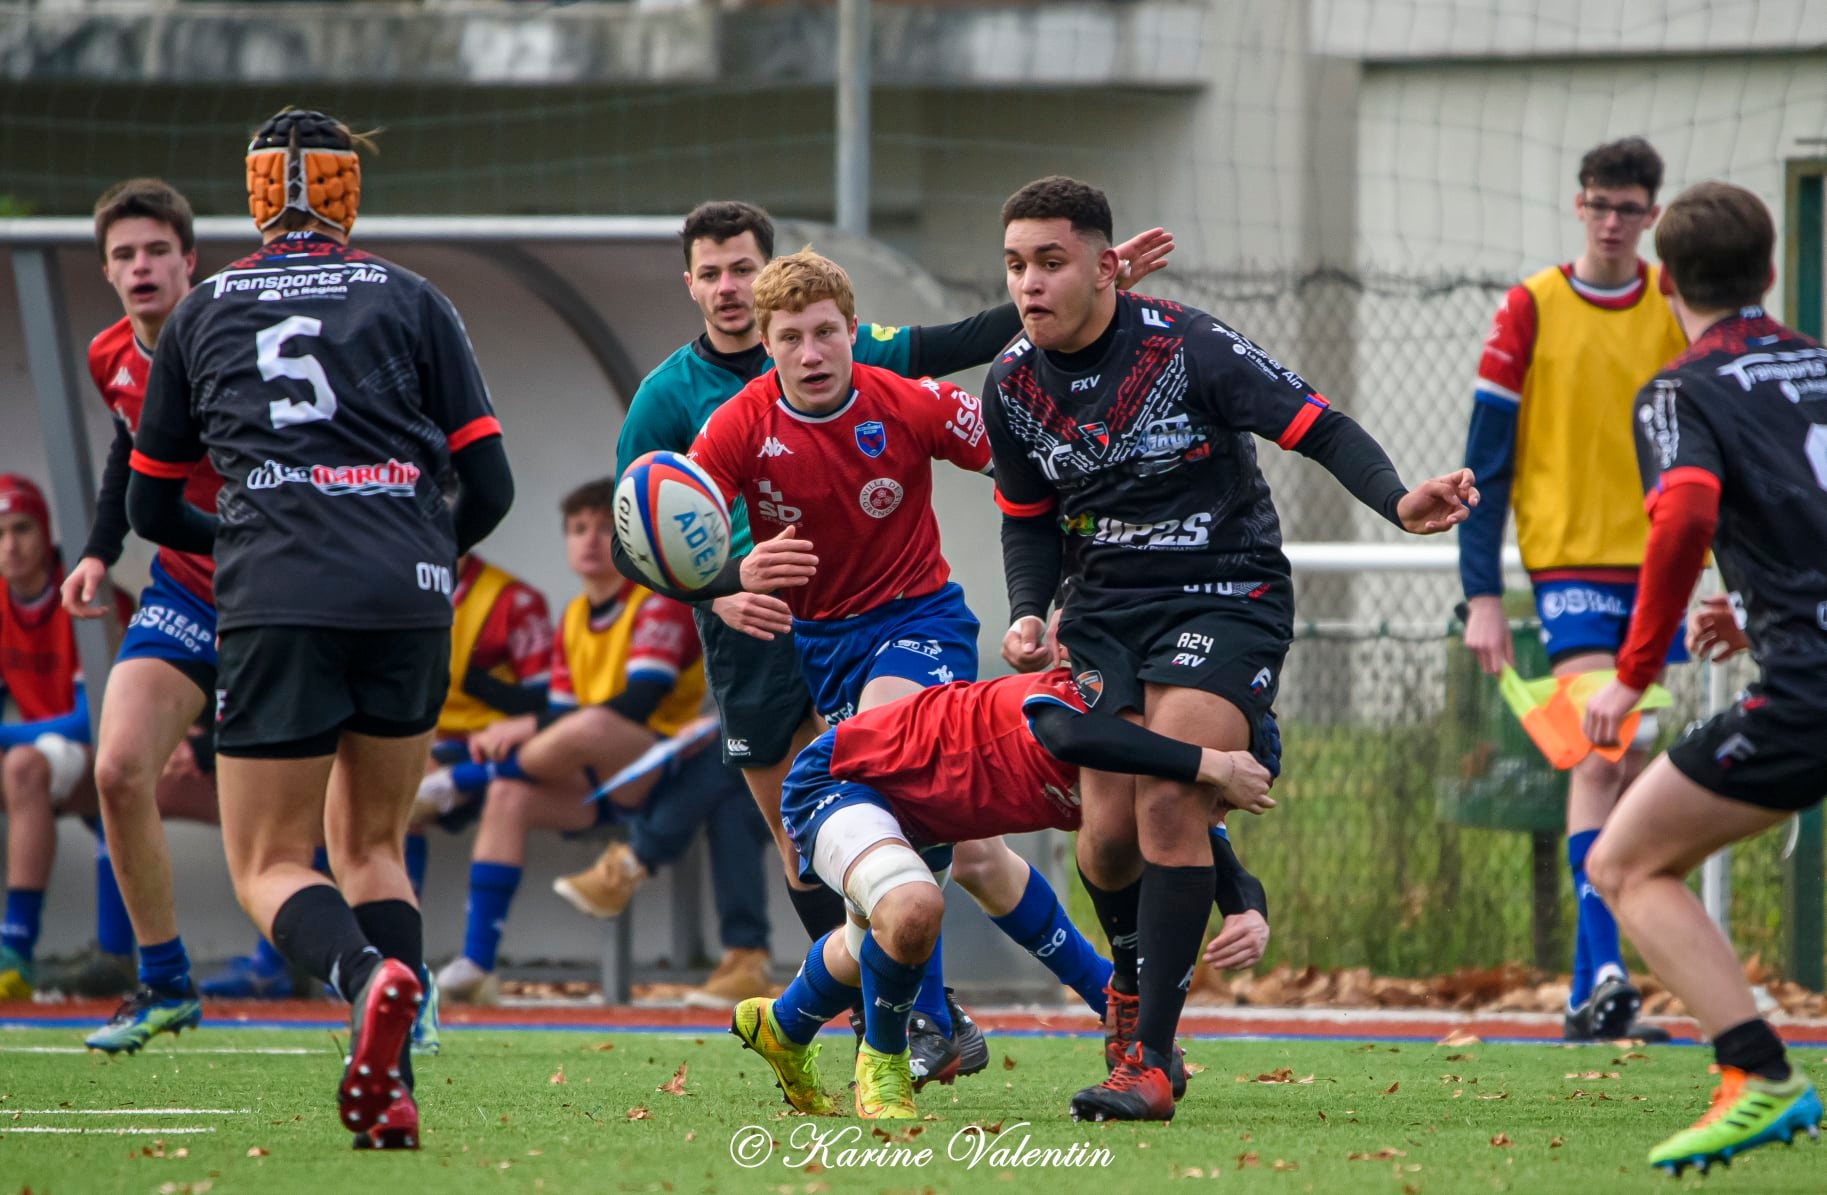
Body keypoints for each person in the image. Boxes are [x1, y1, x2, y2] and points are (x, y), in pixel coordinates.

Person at [587, 199, 1173, 1069]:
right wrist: (723, 583)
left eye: (824, 332)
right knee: (884, 849)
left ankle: (911, 1029)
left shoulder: (892, 390)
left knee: (895, 791)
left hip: (913, 621)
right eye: (790, 336)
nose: (808, 350)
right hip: (794, 644)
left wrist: (1083, 302)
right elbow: (644, 534)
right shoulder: (714, 413)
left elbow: (1010, 441)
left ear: (848, 330)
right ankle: (1085, 996)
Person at [986, 175, 1475, 1121]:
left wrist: (1399, 500)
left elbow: (1316, 425)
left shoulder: (1188, 345)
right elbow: (1025, 520)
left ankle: (1153, 1059)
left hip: (1225, 590)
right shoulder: (1009, 384)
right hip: (1102, 614)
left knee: (1170, 795)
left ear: (1103, 263)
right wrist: (1026, 609)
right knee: (1107, 835)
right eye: (1014, 265)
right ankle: (1129, 987)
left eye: (1050, 262)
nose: (1029, 283)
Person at [127, 107, 513, 1149]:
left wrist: (249, 538)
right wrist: (423, 558)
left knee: (268, 863)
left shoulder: (203, 311)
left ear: (256, 199)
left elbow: (150, 510)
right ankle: (388, 1086)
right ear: (350, 196)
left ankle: (364, 976)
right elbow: (490, 484)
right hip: (407, 592)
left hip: (277, 594)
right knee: (375, 845)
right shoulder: (410, 296)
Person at [732, 666, 1276, 1119]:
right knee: (913, 907)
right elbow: (1067, 733)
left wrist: (1248, 911)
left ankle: (782, 1024)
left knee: (867, 947)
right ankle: (885, 1065)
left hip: (924, 816)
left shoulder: (1160, 778)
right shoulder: (1103, 719)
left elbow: (1216, 856)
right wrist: (1215, 766)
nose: (1215, 812)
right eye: (1218, 799)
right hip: (841, 779)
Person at [1581, 181, 1827, 1175]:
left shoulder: (1683, 387)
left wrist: (1635, 674)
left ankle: (1758, 1073)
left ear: (1664, 282)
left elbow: (1683, 514)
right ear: (1771, 273)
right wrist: (1762, 602)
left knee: (1626, 862)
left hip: (1812, 688)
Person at [1455, 137, 1687, 1043]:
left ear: (1651, 217)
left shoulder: (1673, 300)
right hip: (1569, 572)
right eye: (1597, 203)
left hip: (1663, 569)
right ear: (1578, 204)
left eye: (1628, 208)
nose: (1611, 221)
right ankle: (1598, 977)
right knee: (1601, 751)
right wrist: (1481, 592)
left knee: (1627, 766)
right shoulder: (1531, 307)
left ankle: (1600, 981)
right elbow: (1486, 461)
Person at [426, 480, 771, 1009]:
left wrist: (519, 731)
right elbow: (561, 714)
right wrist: (530, 727)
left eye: (605, 528)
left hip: (662, 765)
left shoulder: (656, 600)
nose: (590, 540)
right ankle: (476, 963)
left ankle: (460, 782)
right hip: (595, 775)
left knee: (592, 729)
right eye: (577, 529)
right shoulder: (572, 618)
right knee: (509, 798)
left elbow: (637, 703)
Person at [202, 549, 552, 1005]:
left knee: (309, 847)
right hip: (411, 737)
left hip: (463, 748)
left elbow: (551, 706)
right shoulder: (378, 566)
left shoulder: (508, 599)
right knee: (353, 832)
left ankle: (374, 975)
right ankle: (382, 984)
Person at [43, 178, 221, 1041]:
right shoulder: (109, 353)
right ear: (107, 270)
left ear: (190, 260)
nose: (141, 266)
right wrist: (97, 551)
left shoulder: (235, 338)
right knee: (117, 770)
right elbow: (131, 447)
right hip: (186, 586)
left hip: (280, 592)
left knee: (331, 808)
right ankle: (165, 981)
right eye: (124, 254)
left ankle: (391, 977)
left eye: (157, 250)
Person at [0, 477, 127, 999]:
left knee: (23, 766)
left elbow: (92, 717)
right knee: (25, 763)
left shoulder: (85, 592)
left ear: (45, 528)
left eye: (22, 528)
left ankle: (14, 951)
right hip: (41, 754)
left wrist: (7, 735)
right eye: (0, 532)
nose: (10, 545)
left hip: (112, 745)